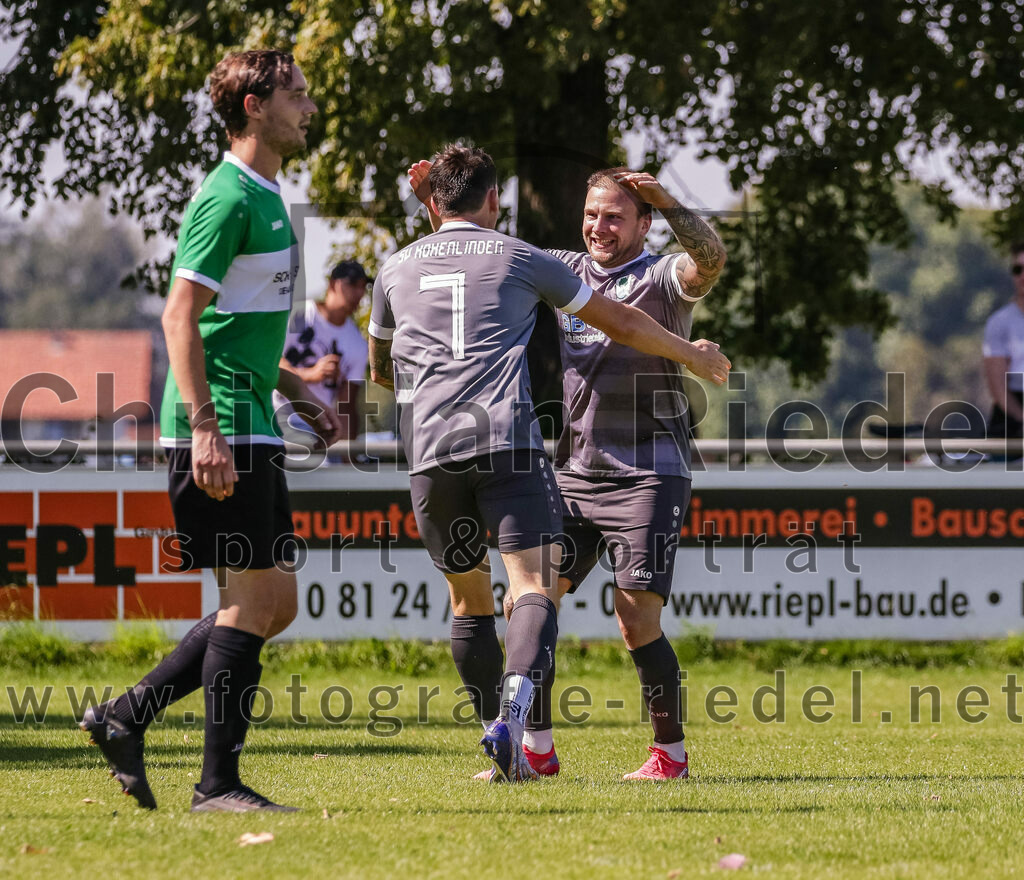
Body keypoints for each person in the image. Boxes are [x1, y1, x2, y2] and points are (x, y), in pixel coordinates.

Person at [380, 144, 729, 783]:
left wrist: (671, 202)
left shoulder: (662, 276)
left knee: (634, 617)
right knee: (530, 604)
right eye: (592, 214)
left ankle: (669, 755)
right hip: (574, 471)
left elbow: (712, 258)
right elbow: (468, 263)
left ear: (643, 224)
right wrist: (436, 194)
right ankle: (532, 747)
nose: (600, 226)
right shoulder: (562, 265)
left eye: (617, 217)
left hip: (650, 470)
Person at [80, 49, 342, 813]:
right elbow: (178, 317)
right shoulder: (227, 197)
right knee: (251, 602)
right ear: (255, 106)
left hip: (252, 419)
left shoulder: (265, 193)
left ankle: (125, 718)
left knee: (273, 602)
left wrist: (296, 389)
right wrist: (204, 429)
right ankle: (216, 785)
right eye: (296, 94)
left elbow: (235, 327)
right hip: (219, 426)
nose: (308, 107)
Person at [274, 260, 371, 450]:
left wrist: (347, 456)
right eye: (352, 285)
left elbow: (346, 406)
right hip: (276, 417)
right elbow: (269, 360)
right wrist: (313, 373)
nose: (359, 293)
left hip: (319, 428)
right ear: (333, 284)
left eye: (363, 287)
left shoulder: (358, 344)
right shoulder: (297, 314)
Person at [983, 242, 1024, 443]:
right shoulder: (999, 322)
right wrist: (1021, 419)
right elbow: (998, 386)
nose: (1023, 275)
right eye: (1018, 269)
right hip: (1012, 418)